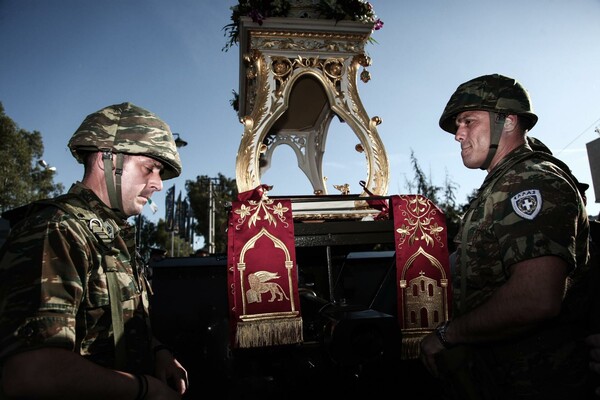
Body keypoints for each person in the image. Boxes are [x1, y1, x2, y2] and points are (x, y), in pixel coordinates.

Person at [419, 74, 593, 399]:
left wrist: (448, 334)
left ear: (508, 120)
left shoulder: (530, 183)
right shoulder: (504, 184)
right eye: (458, 125)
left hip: (537, 381)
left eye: (468, 121)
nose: (459, 134)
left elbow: (536, 298)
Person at [0, 102, 189, 399]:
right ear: (106, 160)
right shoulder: (58, 230)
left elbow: (111, 324)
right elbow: (31, 374)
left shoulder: (109, 234)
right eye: (149, 168)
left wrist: (157, 351)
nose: (157, 184)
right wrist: (144, 389)